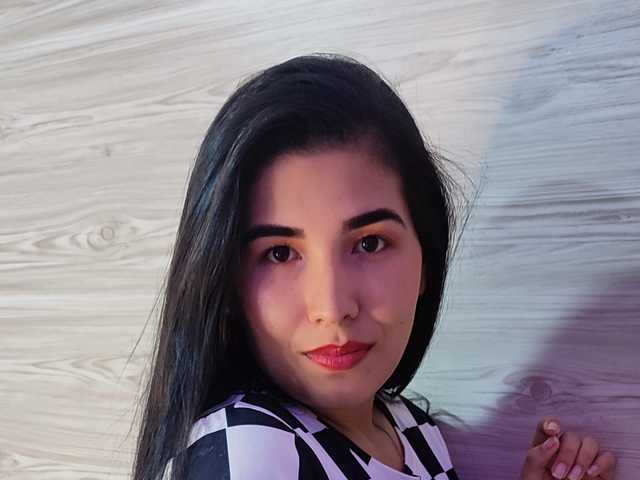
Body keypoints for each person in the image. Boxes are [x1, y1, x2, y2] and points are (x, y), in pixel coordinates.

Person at [130, 53, 617, 480]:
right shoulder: (251, 449)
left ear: (426, 261)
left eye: (369, 243)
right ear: (226, 286)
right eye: (279, 253)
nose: (332, 306)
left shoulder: (410, 428)